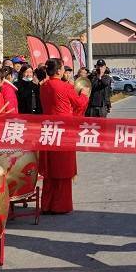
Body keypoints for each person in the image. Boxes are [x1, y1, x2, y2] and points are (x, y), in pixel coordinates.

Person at [39, 58, 90, 214]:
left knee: (50, 170)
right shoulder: (65, 86)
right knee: (62, 169)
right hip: (63, 131)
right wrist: (85, 94)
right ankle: (60, 206)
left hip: (48, 130)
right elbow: (79, 104)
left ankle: (47, 204)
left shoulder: (44, 86)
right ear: (59, 71)